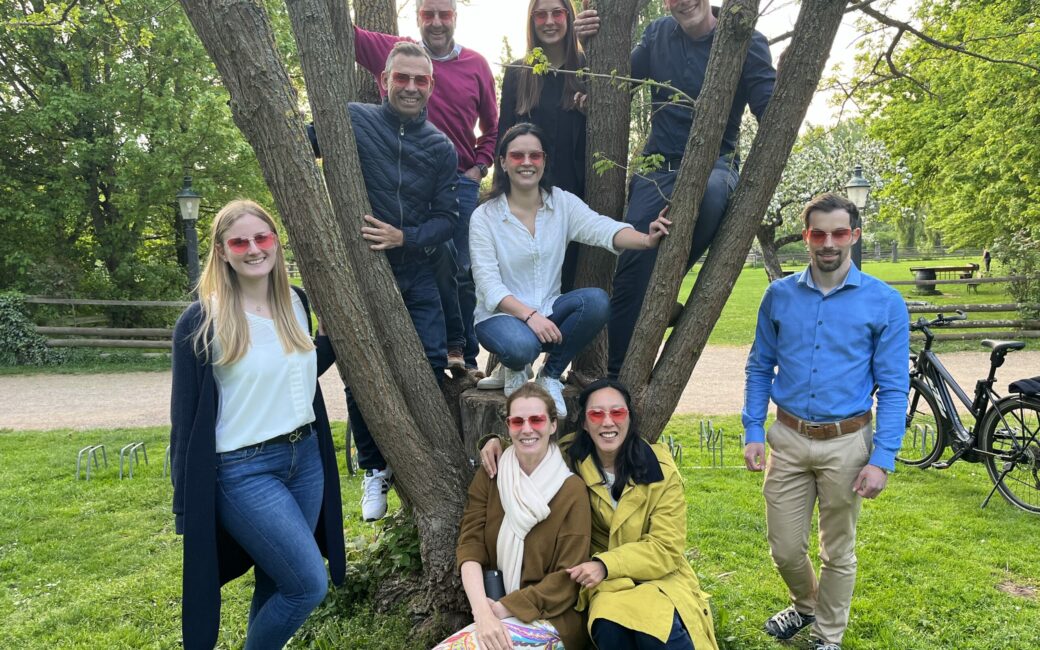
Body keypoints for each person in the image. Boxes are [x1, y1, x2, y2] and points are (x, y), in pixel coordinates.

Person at [169, 200, 345, 650]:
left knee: (278, 581)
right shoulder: (202, 321)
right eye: (240, 241)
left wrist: (335, 342)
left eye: (262, 238)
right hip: (243, 471)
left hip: (304, 458)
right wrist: (184, 505)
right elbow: (184, 419)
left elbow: (293, 371)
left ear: (276, 244)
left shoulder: (296, 302)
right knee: (307, 585)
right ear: (222, 251)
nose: (253, 249)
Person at [741, 193, 910, 650]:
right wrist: (754, 430)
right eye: (819, 234)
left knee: (838, 550)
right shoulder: (778, 296)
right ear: (806, 237)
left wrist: (883, 459)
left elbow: (894, 388)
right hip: (789, 439)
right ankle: (806, 604)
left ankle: (827, 636)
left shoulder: (885, 303)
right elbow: (760, 367)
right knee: (784, 547)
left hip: (848, 444)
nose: (829, 243)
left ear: (854, 235)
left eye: (839, 233)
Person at [574, 0, 776, 378]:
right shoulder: (657, 34)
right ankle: (616, 374)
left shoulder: (745, 39)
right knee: (631, 259)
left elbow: (770, 110)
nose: (683, 2)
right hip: (658, 167)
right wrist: (588, 49)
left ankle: (663, 290)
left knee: (712, 195)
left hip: (717, 164)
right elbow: (615, 83)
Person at [309, 41, 459, 521]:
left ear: (431, 86)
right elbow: (301, 145)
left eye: (421, 80)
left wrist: (404, 237)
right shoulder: (353, 119)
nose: (411, 87)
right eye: (403, 78)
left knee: (431, 364)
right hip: (359, 274)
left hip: (415, 273)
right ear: (384, 81)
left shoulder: (440, 148)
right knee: (362, 372)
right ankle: (375, 469)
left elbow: (447, 220)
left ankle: (431, 459)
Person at [479, 379, 720, 650]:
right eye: (596, 414)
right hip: (604, 585)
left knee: (658, 636)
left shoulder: (660, 470)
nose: (607, 423)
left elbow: (666, 547)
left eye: (617, 413)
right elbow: (532, 440)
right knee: (610, 629)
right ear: (584, 423)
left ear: (629, 418)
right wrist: (494, 442)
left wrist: (606, 564)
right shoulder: (571, 457)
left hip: (654, 576)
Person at [470, 123, 671, 419]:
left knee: (596, 301)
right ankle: (514, 364)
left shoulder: (560, 204)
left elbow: (601, 228)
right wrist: (529, 316)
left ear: (544, 160)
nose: (526, 162)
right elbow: (488, 285)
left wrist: (646, 239)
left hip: (548, 309)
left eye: (534, 155)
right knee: (520, 346)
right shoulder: (484, 217)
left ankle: (549, 375)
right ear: (502, 162)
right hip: (500, 316)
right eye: (517, 155)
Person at [354, 0, 499, 374]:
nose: (436, 22)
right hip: (394, 171)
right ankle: (433, 341)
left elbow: (493, 127)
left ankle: (461, 352)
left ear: (455, 17)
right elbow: (341, 34)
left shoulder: (476, 65)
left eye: (444, 14)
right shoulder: (397, 51)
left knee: (459, 267)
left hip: (456, 175)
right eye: (428, 14)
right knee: (425, 258)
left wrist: (479, 167)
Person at [433, 383, 592, 650]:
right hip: (492, 608)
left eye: (536, 419)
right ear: (507, 426)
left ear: (553, 425)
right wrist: (482, 612)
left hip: (553, 618)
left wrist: (503, 610)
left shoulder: (571, 489)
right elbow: (470, 547)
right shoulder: (492, 474)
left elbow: (568, 579)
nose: (527, 429)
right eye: (517, 421)